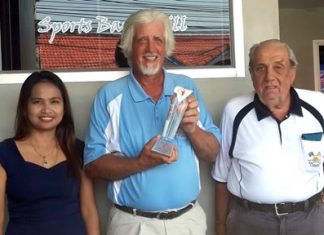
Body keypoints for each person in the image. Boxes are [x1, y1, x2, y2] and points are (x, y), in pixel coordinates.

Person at [84, 8, 220, 235]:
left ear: (166, 47)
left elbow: (213, 153)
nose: (150, 49)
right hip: (133, 223)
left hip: (187, 222)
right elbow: (92, 165)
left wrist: (192, 129)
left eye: (158, 40)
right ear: (128, 47)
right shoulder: (109, 96)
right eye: (141, 40)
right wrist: (141, 162)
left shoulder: (186, 89)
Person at [212, 39, 324, 235]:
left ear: (292, 72)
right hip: (250, 222)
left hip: (309, 220)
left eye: (278, 67)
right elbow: (221, 176)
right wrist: (220, 225)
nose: (269, 77)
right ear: (252, 75)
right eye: (260, 68)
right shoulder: (234, 111)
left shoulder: (319, 105)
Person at [0, 71, 100, 235]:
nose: (47, 109)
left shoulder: (79, 150)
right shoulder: (5, 153)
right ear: (25, 107)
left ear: (64, 107)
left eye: (54, 102)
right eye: (37, 102)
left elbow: (89, 211)